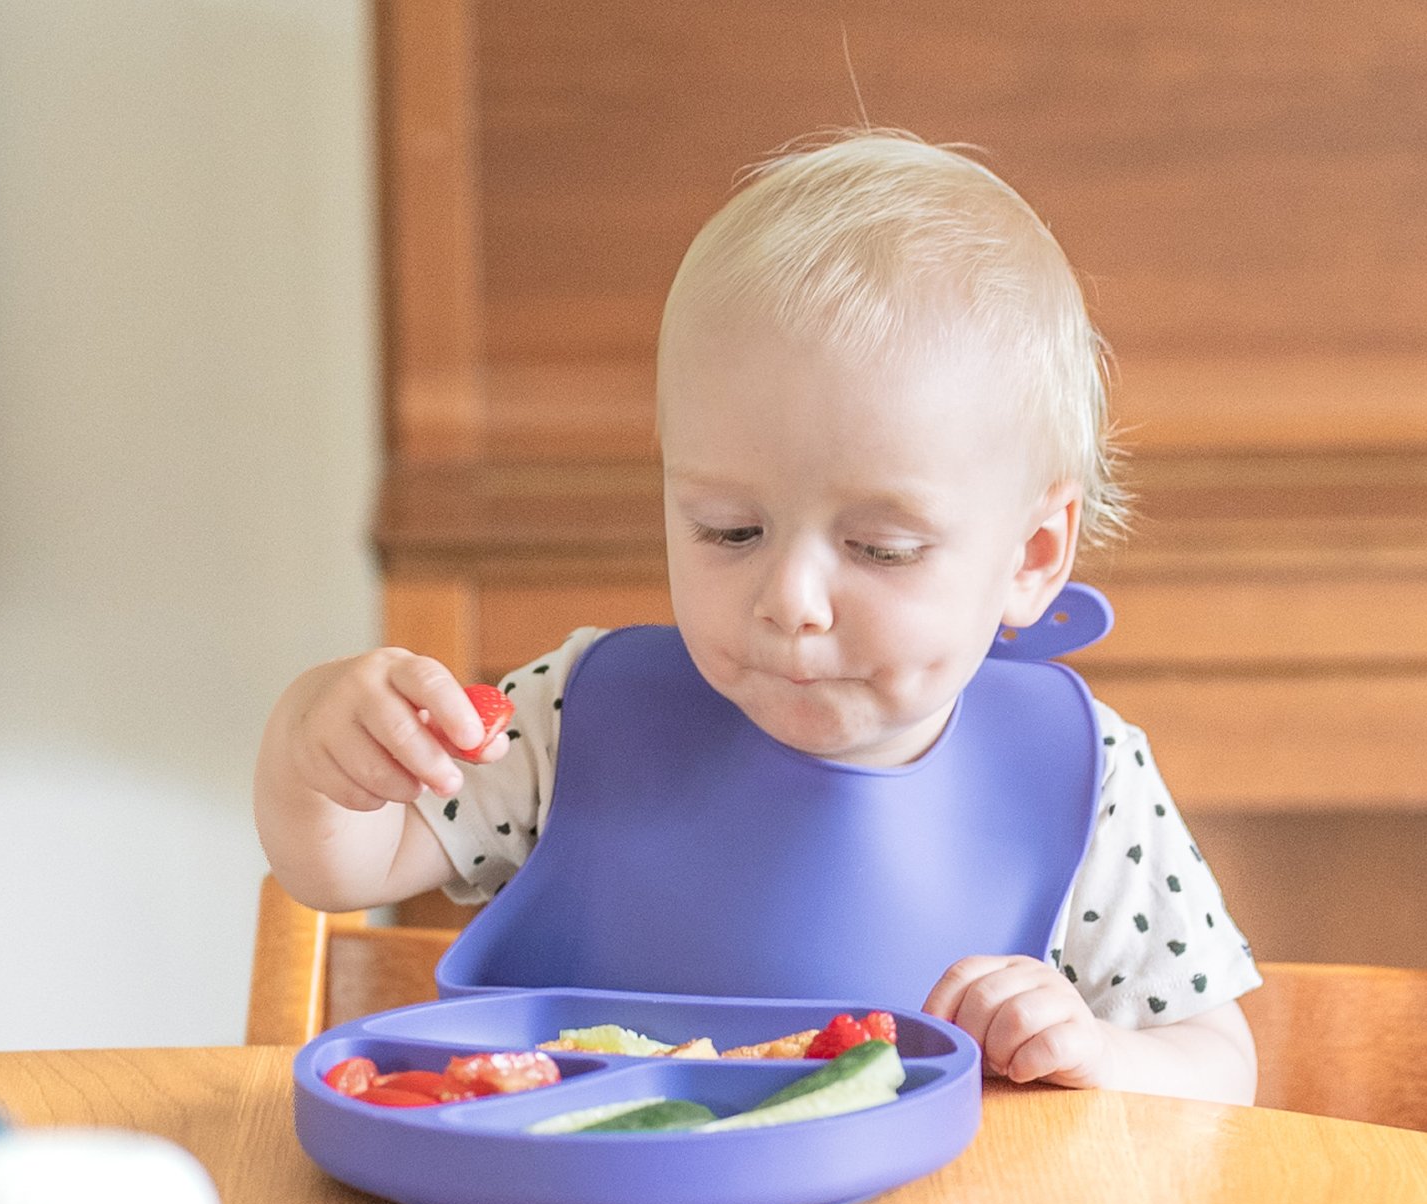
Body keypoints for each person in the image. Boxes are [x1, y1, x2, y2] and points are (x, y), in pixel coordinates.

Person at [255, 130, 1260, 1105]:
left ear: (1033, 556)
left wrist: (1091, 1055)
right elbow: (348, 864)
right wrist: (319, 741)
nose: (789, 601)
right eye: (730, 530)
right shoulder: (580, 715)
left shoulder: (1086, 778)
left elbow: (1218, 1061)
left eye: (881, 549)